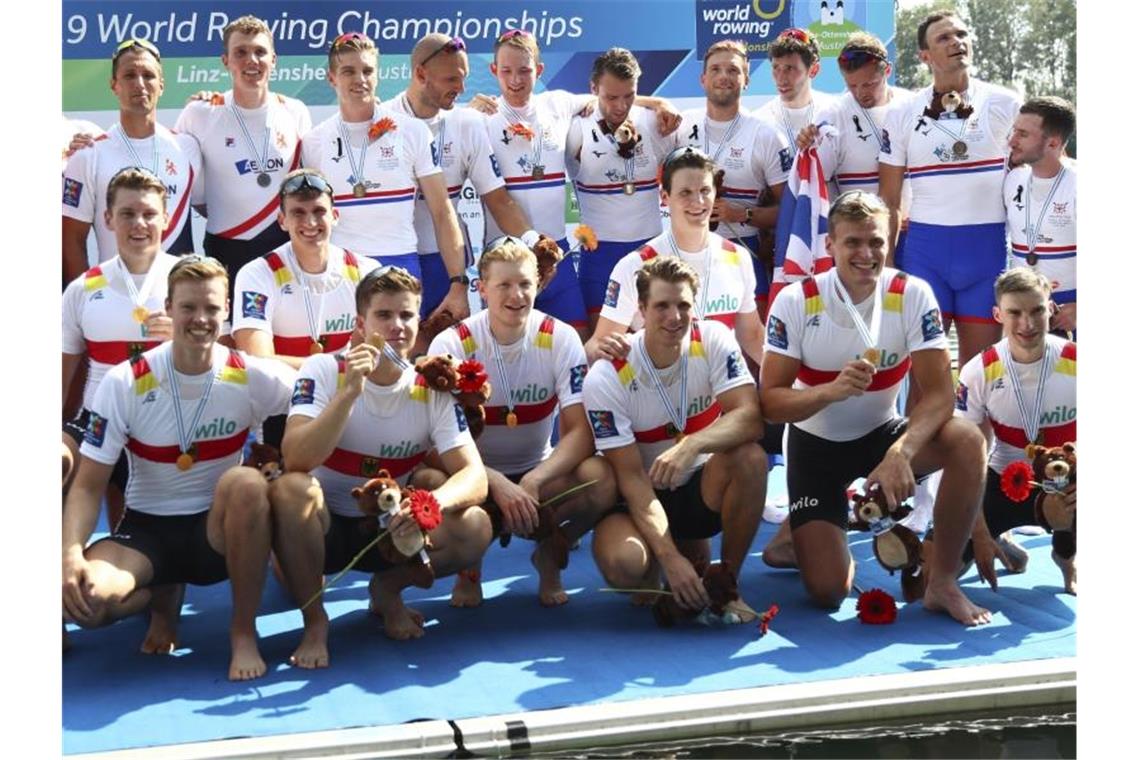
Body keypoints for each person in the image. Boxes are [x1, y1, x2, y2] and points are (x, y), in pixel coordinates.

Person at [758, 190, 991, 626]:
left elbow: (941, 393)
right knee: (828, 592)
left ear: (891, 241)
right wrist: (828, 392)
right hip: (815, 448)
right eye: (853, 243)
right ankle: (801, 536)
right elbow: (771, 402)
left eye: (877, 242)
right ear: (830, 245)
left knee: (967, 440)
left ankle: (942, 582)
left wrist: (900, 452)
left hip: (882, 438)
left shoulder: (911, 293)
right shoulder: (797, 300)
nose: (866, 254)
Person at [62, 255, 296, 680]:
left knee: (247, 483)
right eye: (188, 307)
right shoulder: (124, 381)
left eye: (211, 308)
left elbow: (319, 397)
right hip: (146, 532)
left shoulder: (253, 375)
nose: (200, 319)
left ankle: (243, 632)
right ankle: (158, 594)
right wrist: (69, 554)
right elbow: (87, 486)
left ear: (226, 313)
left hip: (215, 535)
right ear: (168, 308)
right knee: (85, 604)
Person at [270, 266, 491, 653]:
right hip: (323, 527)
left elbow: (474, 476)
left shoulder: (430, 387)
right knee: (291, 489)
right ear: (361, 324)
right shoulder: (324, 368)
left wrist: (428, 507)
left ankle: (388, 589)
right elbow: (297, 458)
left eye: (406, 315)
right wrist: (350, 393)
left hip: (391, 528)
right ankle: (315, 620)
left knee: (475, 525)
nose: (397, 326)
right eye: (384, 315)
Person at [429, 237, 617, 606]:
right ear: (482, 289)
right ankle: (469, 570)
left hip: (538, 474)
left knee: (601, 477)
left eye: (525, 284)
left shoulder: (561, 338)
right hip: (474, 475)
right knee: (430, 480)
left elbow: (581, 432)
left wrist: (535, 478)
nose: (516, 295)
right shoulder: (451, 344)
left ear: (539, 285)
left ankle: (550, 557)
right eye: (503, 286)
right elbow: (435, 443)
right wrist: (492, 482)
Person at [469, 29, 681, 340]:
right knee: (506, 345)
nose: (516, 80)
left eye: (525, 70)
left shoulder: (559, 103)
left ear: (538, 70)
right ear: (493, 71)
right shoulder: (479, 119)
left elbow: (610, 98)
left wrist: (660, 102)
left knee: (578, 343)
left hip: (557, 252)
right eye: (506, 71)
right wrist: (463, 117)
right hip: (506, 257)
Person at [583, 256, 767, 613]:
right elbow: (631, 478)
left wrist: (694, 444)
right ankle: (665, 555)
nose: (674, 317)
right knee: (625, 566)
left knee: (750, 457)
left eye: (683, 305)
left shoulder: (713, 338)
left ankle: (726, 584)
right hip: (638, 496)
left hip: (698, 484)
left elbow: (750, 418)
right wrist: (669, 558)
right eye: (662, 306)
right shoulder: (608, 375)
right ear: (641, 309)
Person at [301, 32, 471, 333]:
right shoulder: (314, 141)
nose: (360, 79)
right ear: (331, 78)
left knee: (402, 366)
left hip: (400, 262)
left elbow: (443, 212)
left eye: (367, 70)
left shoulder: (412, 132)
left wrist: (458, 282)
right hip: (342, 269)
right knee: (348, 368)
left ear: (378, 75)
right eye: (348, 71)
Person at [878, 10, 1021, 369]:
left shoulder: (1006, 103)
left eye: (961, 34)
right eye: (943, 38)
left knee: (979, 377)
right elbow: (890, 199)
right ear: (925, 56)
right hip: (926, 254)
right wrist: (889, 263)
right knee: (925, 383)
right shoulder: (901, 112)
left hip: (987, 253)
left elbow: (1036, 177)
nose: (957, 41)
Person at [386, 33, 538, 326]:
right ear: (420, 74)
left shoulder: (467, 124)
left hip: (447, 265)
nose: (462, 88)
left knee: (444, 360)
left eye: (464, 77)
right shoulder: (384, 119)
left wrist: (534, 240)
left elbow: (499, 200)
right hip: (395, 256)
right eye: (452, 80)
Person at [174, 15, 313, 308]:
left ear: (273, 59)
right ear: (226, 60)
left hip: (283, 244)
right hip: (226, 246)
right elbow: (182, 182)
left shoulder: (295, 111)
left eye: (260, 52)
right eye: (241, 52)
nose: (252, 60)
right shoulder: (200, 113)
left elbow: (305, 183)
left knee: (282, 332)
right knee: (229, 339)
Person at [232, 169, 378, 446]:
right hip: (285, 404)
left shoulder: (366, 271)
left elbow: (379, 355)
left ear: (335, 216)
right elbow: (258, 359)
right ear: (282, 221)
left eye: (319, 211)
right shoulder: (257, 274)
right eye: (298, 213)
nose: (310, 222)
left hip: (350, 401)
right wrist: (341, 366)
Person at [63, 168, 180, 512]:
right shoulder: (83, 289)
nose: (139, 224)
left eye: (149, 214)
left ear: (166, 219)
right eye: (127, 214)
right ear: (108, 219)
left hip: (169, 421)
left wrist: (187, 339)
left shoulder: (191, 279)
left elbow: (229, 362)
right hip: (98, 421)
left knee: (132, 531)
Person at [584, 147, 765, 368]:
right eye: (685, 192)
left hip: (723, 393)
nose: (697, 201)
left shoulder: (737, 257)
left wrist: (789, 382)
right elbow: (596, 346)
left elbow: (753, 335)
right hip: (662, 395)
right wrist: (601, 351)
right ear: (665, 197)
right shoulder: (636, 265)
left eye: (705, 190)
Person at [955, 268, 1076, 594]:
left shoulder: (1078, 361)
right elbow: (964, 459)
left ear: (1050, 309)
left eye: (1037, 310)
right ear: (998, 315)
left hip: (1069, 482)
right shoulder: (978, 371)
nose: (1028, 324)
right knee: (932, 575)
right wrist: (977, 530)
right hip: (1005, 480)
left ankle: (1067, 556)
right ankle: (997, 536)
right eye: (1015, 313)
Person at [667, 40, 790, 318]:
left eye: (733, 70)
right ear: (703, 79)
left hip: (743, 253)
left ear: (746, 79)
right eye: (716, 69)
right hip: (684, 254)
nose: (724, 76)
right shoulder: (681, 126)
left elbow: (790, 210)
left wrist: (742, 213)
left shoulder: (766, 135)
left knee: (751, 348)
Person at [62, 39, 200, 283]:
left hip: (179, 298)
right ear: (114, 85)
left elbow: (213, 206)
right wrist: (87, 298)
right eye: (129, 75)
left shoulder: (188, 147)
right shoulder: (89, 154)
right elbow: (71, 239)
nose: (140, 84)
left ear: (162, 85)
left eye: (148, 75)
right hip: (115, 294)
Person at [566, 48, 673, 328]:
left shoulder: (655, 121)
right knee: (601, 349)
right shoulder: (576, 127)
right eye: (610, 97)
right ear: (593, 89)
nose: (620, 106)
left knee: (655, 345)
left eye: (629, 96)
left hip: (649, 250)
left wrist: (659, 103)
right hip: (598, 256)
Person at [798, 33, 915, 200]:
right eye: (852, 85)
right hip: (860, 224)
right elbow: (815, 184)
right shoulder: (833, 116)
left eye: (869, 84)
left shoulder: (911, 105)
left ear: (887, 71)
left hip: (913, 223)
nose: (860, 93)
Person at [1004, 97, 1077, 335]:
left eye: (1023, 135)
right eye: (1014, 131)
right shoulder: (1013, 180)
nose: (1012, 141)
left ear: (1053, 143)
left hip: (1070, 310)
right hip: (1026, 307)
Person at [755, 28, 837, 150]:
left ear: (813, 70)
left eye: (790, 68)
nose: (781, 79)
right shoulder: (759, 121)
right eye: (776, 67)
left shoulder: (835, 113)